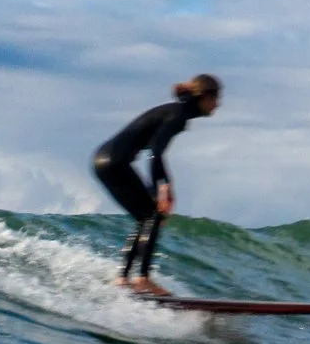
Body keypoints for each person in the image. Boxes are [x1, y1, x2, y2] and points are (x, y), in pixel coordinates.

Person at [93, 74, 221, 295]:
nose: (217, 105)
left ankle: (123, 279)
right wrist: (164, 187)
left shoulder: (174, 112)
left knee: (147, 218)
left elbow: (154, 153)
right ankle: (142, 278)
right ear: (204, 97)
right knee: (152, 216)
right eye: (215, 99)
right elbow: (155, 153)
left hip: (103, 161)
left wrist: (157, 189)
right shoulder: (178, 116)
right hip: (114, 162)